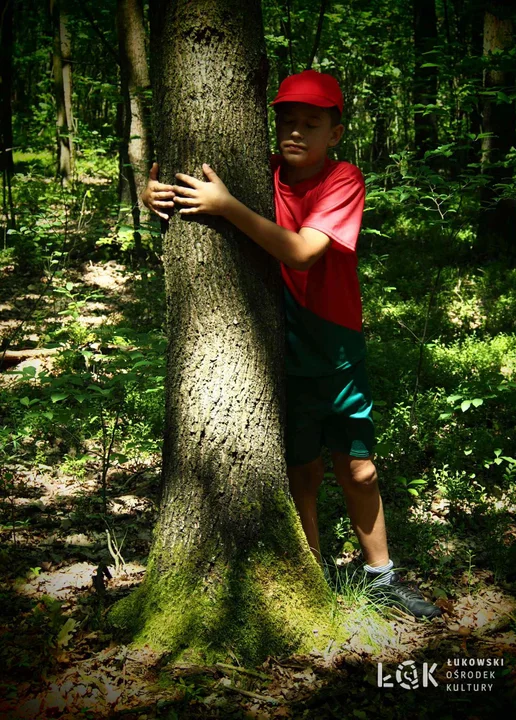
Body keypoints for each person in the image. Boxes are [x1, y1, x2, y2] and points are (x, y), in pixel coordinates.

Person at [141, 69, 442, 621]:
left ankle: (381, 577)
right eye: (286, 120)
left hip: (336, 343)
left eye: (312, 122)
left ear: (336, 132)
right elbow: (199, 196)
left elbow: (304, 252)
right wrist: (158, 193)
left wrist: (228, 206)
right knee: (301, 468)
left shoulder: (342, 179)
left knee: (358, 468)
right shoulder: (261, 174)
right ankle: (314, 573)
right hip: (280, 344)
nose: (296, 132)